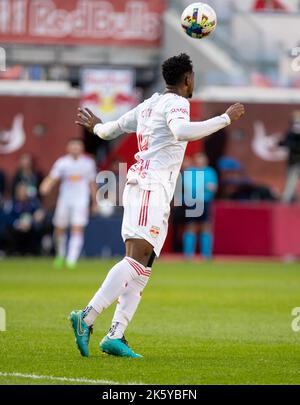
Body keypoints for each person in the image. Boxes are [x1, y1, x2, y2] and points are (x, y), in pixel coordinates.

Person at [71, 53, 245, 358]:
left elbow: (112, 130)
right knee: (136, 260)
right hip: (150, 186)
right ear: (187, 79)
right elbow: (182, 132)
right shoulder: (177, 103)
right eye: (193, 77)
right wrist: (225, 118)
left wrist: (96, 127)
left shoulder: (148, 104)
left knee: (143, 267)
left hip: (150, 188)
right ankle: (87, 317)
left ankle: (116, 334)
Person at [40, 138, 97, 269]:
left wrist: (95, 202)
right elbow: (53, 177)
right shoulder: (62, 163)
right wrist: (46, 185)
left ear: (82, 148)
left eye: (78, 146)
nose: (75, 149)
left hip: (81, 201)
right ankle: (60, 255)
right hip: (64, 200)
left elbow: (92, 183)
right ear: (68, 148)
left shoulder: (88, 164)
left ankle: (72, 260)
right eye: (73, 146)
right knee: (59, 229)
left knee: (77, 228)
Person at [182, 153, 218, 260]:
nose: (200, 162)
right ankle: (188, 255)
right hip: (192, 202)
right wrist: (204, 186)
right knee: (191, 226)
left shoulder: (210, 171)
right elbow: (189, 188)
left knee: (206, 227)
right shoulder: (189, 171)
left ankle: (206, 255)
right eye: (198, 160)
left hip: (205, 202)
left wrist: (200, 186)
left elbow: (213, 187)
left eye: (202, 160)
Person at [6, 182, 45, 255]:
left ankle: (32, 251)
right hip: (17, 226)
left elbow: (39, 213)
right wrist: (17, 223)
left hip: (29, 226)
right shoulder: (12, 203)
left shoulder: (33, 202)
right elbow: (7, 217)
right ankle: (14, 251)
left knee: (38, 228)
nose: (23, 193)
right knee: (8, 230)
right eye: (21, 191)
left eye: (24, 191)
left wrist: (31, 222)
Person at [280, 111, 300, 202]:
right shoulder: (290, 133)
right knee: (290, 183)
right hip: (293, 162)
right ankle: (286, 201)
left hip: (296, 161)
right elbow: (285, 143)